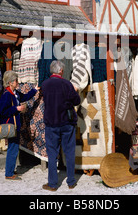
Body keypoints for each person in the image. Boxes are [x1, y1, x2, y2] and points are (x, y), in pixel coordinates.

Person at [41, 60, 81, 191]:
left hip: (51, 123)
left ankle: (52, 184)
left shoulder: (45, 84)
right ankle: (71, 182)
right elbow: (76, 101)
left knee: (52, 154)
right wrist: (75, 90)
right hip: (66, 123)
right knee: (69, 152)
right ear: (61, 71)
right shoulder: (66, 84)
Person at [0, 70, 37, 180]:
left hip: (15, 125)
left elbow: (24, 97)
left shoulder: (14, 93)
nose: (17, 82)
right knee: (13, 148)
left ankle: (10, 170)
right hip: (11, 125)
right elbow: (2, 110)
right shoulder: (7, 95)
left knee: (13, 147)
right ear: (10, 82)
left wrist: (35, 90)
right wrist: (16, 108)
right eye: (16, 80)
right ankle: (9, 174)